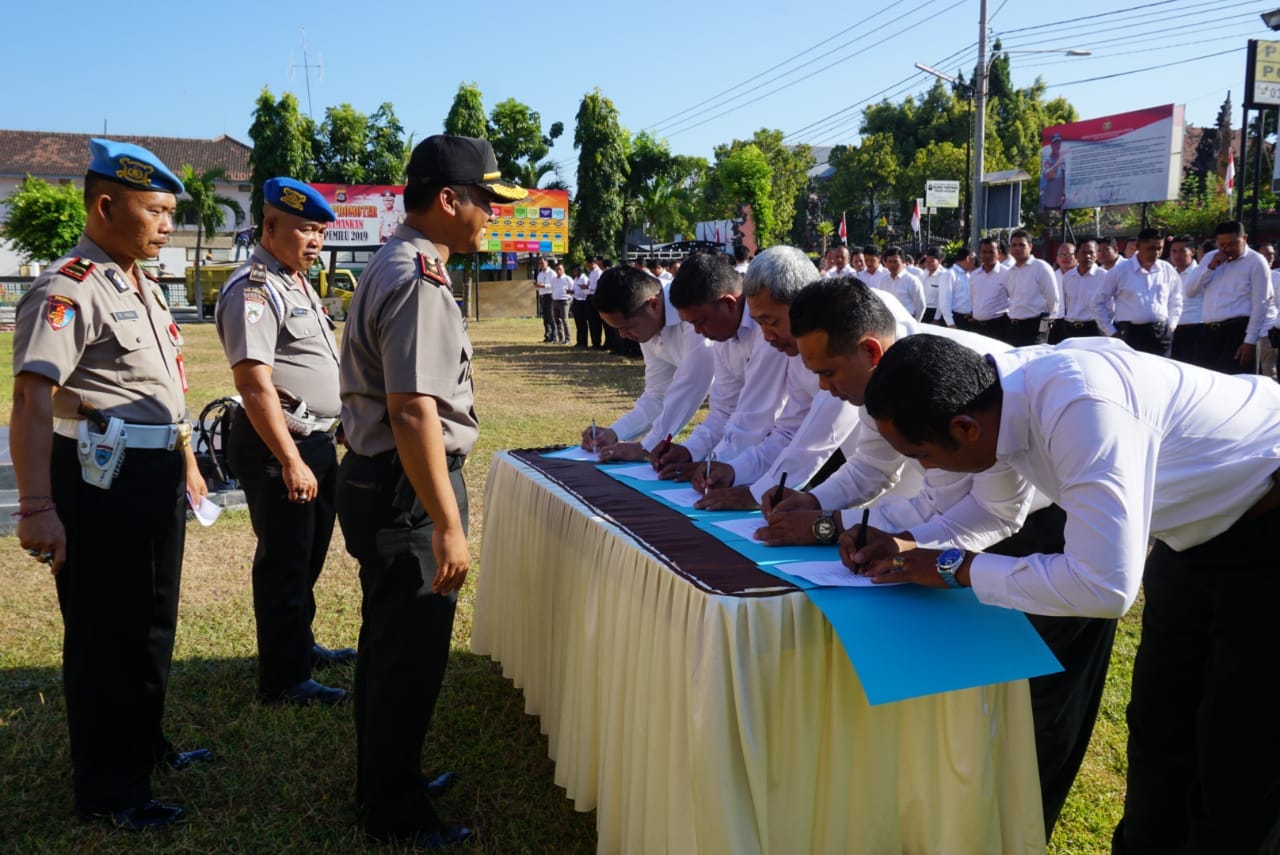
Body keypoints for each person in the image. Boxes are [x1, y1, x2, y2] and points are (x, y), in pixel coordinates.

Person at [860, 333, 1280, 855]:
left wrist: (957, 568)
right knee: (1159, 727)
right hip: (1192, 535)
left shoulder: (1081, 409)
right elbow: (995, 512)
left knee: (1242, 748)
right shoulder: (993, 399)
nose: (927, 469)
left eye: (922, 455)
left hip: (1266, 519)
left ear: (964, 428)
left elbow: (1103, 586)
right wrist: (910, 544)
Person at [757, 279, 1115, 839]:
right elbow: (897, 481)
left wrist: (902, 547)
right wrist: (831, 512)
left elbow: (979, 513)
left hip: (1050, 530)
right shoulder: (890, 381)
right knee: (971, 697)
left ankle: (1017, 831)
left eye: (828, 372)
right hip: (983, 525)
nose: (823, 388)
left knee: (1038, 705)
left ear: (869, 352)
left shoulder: (969, 392)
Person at [9, 138, 209, 830]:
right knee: (104, 633)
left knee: (152, 620)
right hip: (101, 482)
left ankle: (143, 747)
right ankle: (107, 790)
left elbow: (164, 391)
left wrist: (186, 463)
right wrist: (37, 505)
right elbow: (32, 399)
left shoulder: (139, 284)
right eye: (155, 210)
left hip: (154, 474)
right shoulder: (67, 288)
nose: (167, 224)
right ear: (105, 206)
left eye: (170, 212)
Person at [336, 134, 524, 847]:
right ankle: (395, 813)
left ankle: (389, 779)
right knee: (407, 655)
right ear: (448, 199)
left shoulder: (402, 262)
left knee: (391, 644)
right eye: (484, 200)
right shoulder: (417, 276)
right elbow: (413, 409)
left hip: (387, 479)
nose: (491, 214)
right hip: (407, 488)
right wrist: (447, 523)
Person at [215, 176, 352, 707]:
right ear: (270, 226)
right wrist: (291, 459)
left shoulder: (294, 282)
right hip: (278, 445)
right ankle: (283, 678)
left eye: (321, 232)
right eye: (305, 230)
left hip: (315, 440)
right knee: (284, 561)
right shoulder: (253, 288)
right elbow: (254, 385)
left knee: (308, 554)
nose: (315, 241)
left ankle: (299, 647)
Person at [688, 246, 860, 510]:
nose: (767, 336)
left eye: (771, 322)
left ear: (803, 304)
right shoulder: (796, 347)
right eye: (759, 324)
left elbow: (823, 433)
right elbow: (789, 430)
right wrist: (735, 471)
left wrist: (757, 492)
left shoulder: (846, 329)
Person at [651, 251, 788, 475]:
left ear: (728, 304)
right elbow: (724, 410)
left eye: (700, 321)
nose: (698, 331)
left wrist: (710, 466)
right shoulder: (722, 335)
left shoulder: (767, 332)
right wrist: (689, 451)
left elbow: (755, 417)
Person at [580, 265, 715, 460]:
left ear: (653, 305)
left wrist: (646, 447)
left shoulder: (692, 311)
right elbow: (657, 396)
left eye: (627, 327)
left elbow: (692, 387)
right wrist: (614, 433)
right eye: (617, 329)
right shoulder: (648, 321)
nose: (623, 336)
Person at [1186, 220, 1276, 375]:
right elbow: (1190, 291)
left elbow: (1261, 304)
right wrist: (1210, 268)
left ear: (1244, 238)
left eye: (1232, 244)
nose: (1227, 249)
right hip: (1208, 332)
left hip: (1237, 332)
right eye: (1222, 244)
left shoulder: (1256, 261)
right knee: (1207, 381)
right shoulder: (1210, 258)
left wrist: (1250, 341)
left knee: (1237, 382)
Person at [1090, 227, 1182, 357]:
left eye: (1159, 248)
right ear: (1138, 246)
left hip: (1161, 335)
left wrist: (1172, 325)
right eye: (1151, 248)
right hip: (1130, 335)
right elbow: (1097, 302)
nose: (1156, 253)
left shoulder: (1166, 269)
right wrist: (1111, 331)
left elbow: (1176, 299)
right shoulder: (1120, 270)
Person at [1003, 229, 1058, 346]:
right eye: (1014, 245)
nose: (1017, 248)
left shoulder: (1041, 267)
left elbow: (1053, 298)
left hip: (1035, 327)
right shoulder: (1010, 271)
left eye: (1021, 245)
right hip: (1013, 326)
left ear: (1030, 247)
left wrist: (1048, 322)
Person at [1049, 238, 1104, 343]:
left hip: (1093, 329)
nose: (1087, 256)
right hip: (1068, 328)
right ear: (1077, 254)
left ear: (1097, 255)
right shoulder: (1067, 277)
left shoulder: (1104, 276)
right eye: (1083, 252)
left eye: (1091, 252)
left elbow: (1110, 307)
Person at [1168, 234, 1204, 365]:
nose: (1177, 255)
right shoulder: (1168, 273)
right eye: (1174, 251)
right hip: (1172, 332)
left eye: (1182, 251)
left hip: (1195, 330)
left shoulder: (1201, 272)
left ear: (1192, 252)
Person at [966, 237, 1010, 341]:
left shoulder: (1007, 274)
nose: (987, 255)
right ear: (979, 253)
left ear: (999, 253)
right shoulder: (974, 274)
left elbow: (1015, 298)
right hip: (976, 326)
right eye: (984, 252)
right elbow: (972, 298)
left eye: (991, 252)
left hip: (997, 327)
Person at [877, 245, 927, 321]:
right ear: (886, 263)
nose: (892, 265)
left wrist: (915, 322)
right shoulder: (884, 281)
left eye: (895, 261)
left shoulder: (912, 280)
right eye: (889, 261)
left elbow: (920, 305)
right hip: (889, 320)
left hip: (907, 320)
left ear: (903, 261)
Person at [937, 247, 974, 329]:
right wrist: (950, 323)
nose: (974, 262)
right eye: (974, 259)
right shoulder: (949, 274)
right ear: (968, 258)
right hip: (955, 320)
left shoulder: (967, 275)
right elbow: (944, 302)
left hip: (967, 320)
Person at [1040, 132, 1066, 211]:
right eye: (1055, 143)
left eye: (1059, 143)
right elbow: (1047, 176)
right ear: (1051, 145)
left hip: (1059, 203)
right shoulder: (1047, 160)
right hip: (1047, 203)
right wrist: (1057, 164)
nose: (1057, 146)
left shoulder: (1064, 160)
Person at [548, 261, 573, 344]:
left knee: (564, 320)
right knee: (557, 321)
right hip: (555, 301)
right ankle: (561, 339)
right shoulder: (553, 280)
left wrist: (569, 300)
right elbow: (552, 289)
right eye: (556, 269)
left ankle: (567, 339)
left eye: (560, 269)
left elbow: (572, 290)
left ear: (563, 269)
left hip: (564, 301)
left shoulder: (568, 279)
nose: (558, 271)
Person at [570, 264, 591, 348]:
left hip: (583, 302)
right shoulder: (575, 279)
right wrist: (571, 291)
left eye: (575, 270)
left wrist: (577, 291)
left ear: (579, 270)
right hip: (576, 300)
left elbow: (586, 291)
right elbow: (575, 290)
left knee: (583, 323)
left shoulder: (584, 278)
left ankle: (584, 342)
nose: (574, 272)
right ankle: (579, 341)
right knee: (578, 323)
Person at [534, 256, 554, 342]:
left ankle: (554, 336)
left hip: (550, 296)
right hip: (543, 296)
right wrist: (537, 286)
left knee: (551, 316)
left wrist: (544, 285)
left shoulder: (552, 273)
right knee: (545, 317)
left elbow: (554, 285)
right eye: (539, 263)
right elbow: (539, 286)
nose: (541, 265)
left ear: (547, 263)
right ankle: (547, 336)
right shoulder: (540, 274)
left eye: (542, 263)